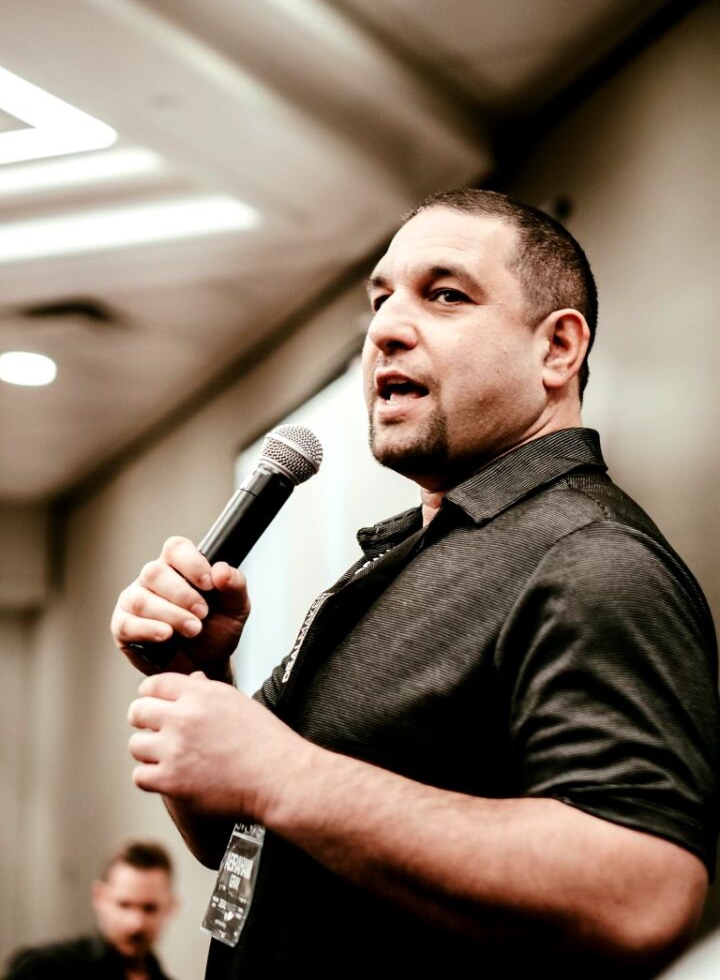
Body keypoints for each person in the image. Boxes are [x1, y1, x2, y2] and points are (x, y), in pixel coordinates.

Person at [111, 188, 720, 978]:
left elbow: (643, 893)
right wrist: (200, 676)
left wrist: (280, 771)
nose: (385, 330)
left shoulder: (590, 556)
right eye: (380, 300)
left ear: (558, 349)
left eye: (446, 295)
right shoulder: (404, 557)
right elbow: (240, 836)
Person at [4, 839, 177, 979]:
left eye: (150, 908)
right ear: (99, 897)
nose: (136, 924)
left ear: (170, 907)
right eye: (124, 905)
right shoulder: (42, 969)